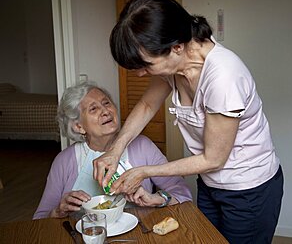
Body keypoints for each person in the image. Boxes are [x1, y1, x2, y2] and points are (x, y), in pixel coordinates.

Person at [94, 0, 283, 243]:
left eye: (146, 65)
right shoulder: (175, 66)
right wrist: (114, 151)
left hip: (249, 189)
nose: (140, 73)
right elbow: (147, 104)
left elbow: (213, 159)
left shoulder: (223, 77)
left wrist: (143, 172)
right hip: (210, 183)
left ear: (177, 47)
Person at [33, 81, 192, 219]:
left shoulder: (143, 146)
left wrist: (156, 198)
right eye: (93, 109)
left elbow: (183, 194)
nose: (105, 111)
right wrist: (58, 211)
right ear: (79, 126)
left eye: (106, 103)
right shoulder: (64, 160)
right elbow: (40, 218)